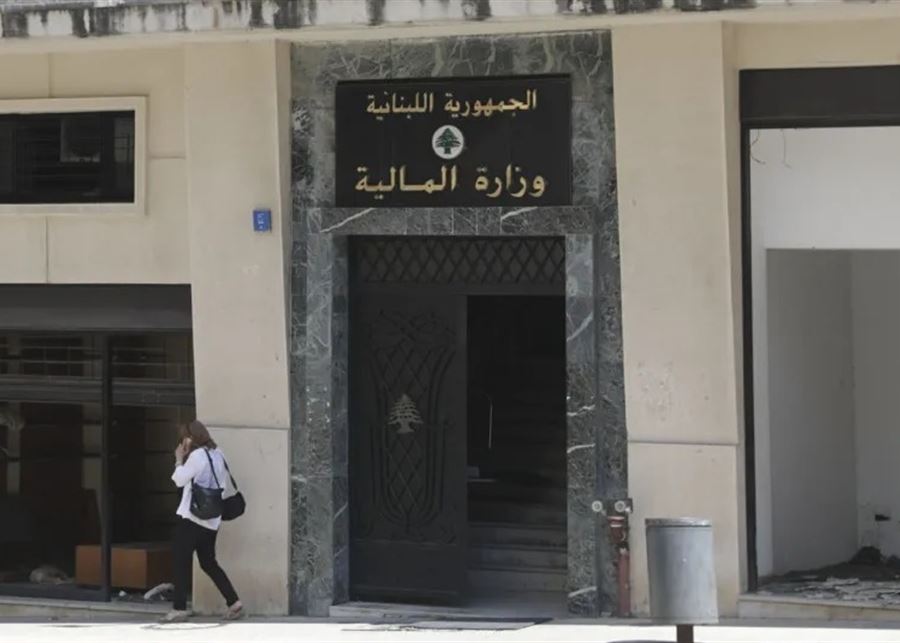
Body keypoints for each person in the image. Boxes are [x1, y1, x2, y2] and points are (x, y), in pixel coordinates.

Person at [161, 420, 243, 623]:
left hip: (192, 517)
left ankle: (179, 608)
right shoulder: (218, 453)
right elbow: (223, 484)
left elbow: (179, 479)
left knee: (181, 561)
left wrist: (178, 459)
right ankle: (234, 602)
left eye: (185, 437)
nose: (183, 441)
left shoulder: (197, 456)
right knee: (208, 563)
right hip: (212, 519)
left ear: (191, 438)